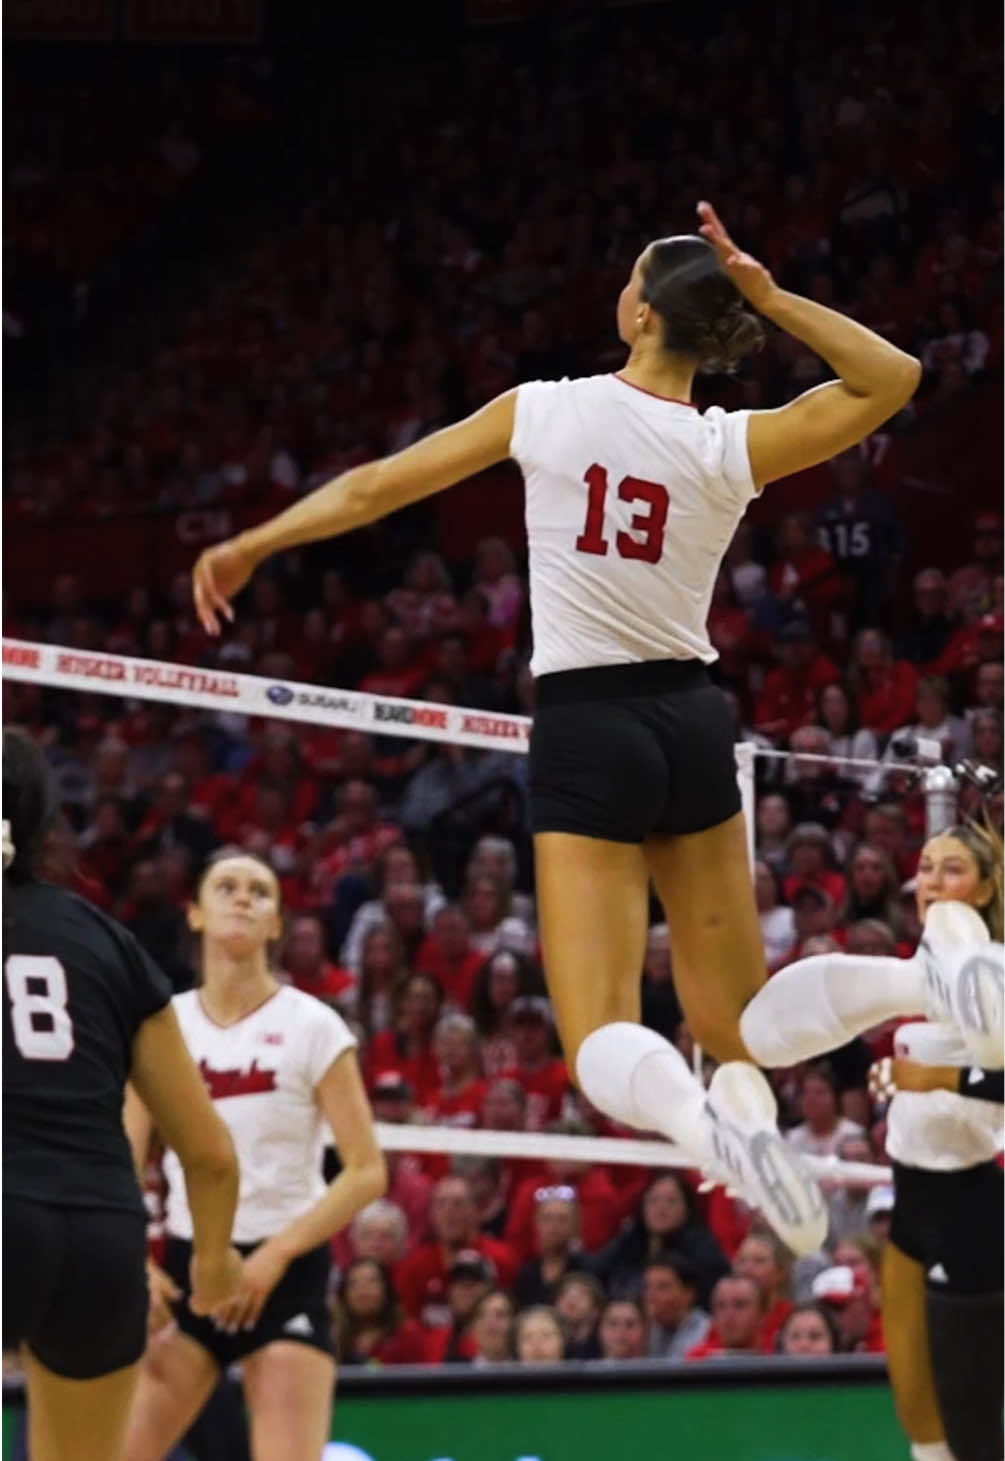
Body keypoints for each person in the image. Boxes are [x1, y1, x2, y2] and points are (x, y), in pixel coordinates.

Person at [192, 201, 922, 1254]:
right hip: (691, 716)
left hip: (589, 723)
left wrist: (257, 543)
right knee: (740, 1023)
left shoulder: (544, 411)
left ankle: (707, 1131)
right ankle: (912, 978)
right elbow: (892, 376)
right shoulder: (729, 445)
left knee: (600, 1041)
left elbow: (377, 487)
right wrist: (772, 296)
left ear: (637, 314)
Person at [2, 729, 242, 1461]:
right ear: (49, 825)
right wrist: (212, 1265)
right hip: (101, 1241)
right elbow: (208, 1153)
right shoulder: (108, 940)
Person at [750, 819, 1004, 1461]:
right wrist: (898, 1078)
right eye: (926, 866)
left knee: (971, 1420)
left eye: (953, 869)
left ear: (984, 889)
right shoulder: (908, 976)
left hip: (971, 1208)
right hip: (910, 1198)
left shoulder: (996, 972)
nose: (933, 881)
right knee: (916, 1413)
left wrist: (934, 1076)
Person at [122, 848, 386, 1461]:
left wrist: (272, 1258)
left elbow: (368, 1171)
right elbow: (121, 1159)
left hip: (285, 1277)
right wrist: (134, 1260)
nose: (243, 897)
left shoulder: (314, 1025)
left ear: (275, 925)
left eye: (260, 892)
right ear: (195, 915)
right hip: (187, 1280)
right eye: (227, 886)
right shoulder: (162, 1026)